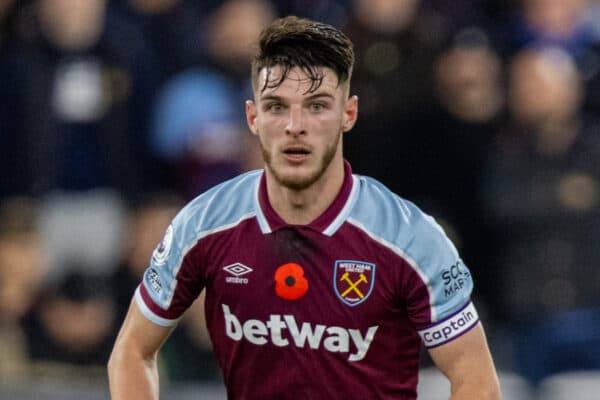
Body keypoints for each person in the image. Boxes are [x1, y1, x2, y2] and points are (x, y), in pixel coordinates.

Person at [108, 16, 501, 399]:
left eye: (316, 106)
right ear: (253, 116)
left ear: (348, 114)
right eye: (277, 106)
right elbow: (131, 352)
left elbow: (476, 379)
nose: (296, 125)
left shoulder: (411, 238)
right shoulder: (202, 225)